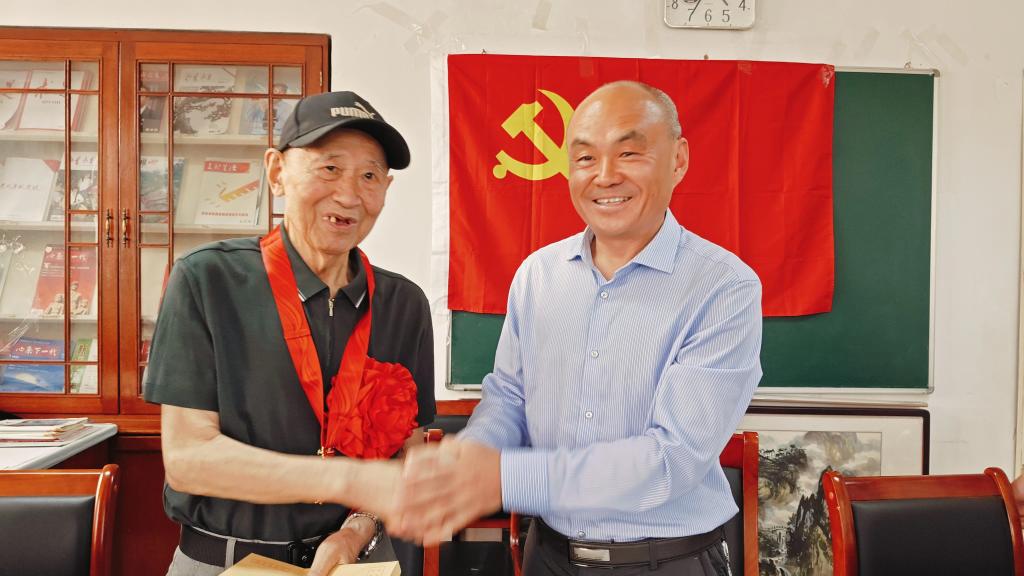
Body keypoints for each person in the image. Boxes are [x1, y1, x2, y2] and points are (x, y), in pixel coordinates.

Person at [392, 81, 763, 575]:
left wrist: (501, 477)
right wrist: (470, 459)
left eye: (628, 153)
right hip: (547, 556)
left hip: (664, 561)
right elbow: (509, 398)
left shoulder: (724, 287)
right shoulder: (538, 275)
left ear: (678, 160)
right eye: (586, 158)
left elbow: (670, 459)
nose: (604, 176)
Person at [144, 91, 435, 576]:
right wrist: (345, 479)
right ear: (277, 171)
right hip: (224, 563)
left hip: (354, 562)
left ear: (386, 188)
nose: (349, 195)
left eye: (369, 176)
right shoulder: (207, 280)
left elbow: (409, 448)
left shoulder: (404, 304)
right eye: (330, 168)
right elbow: (190, 459)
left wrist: (356, 529)